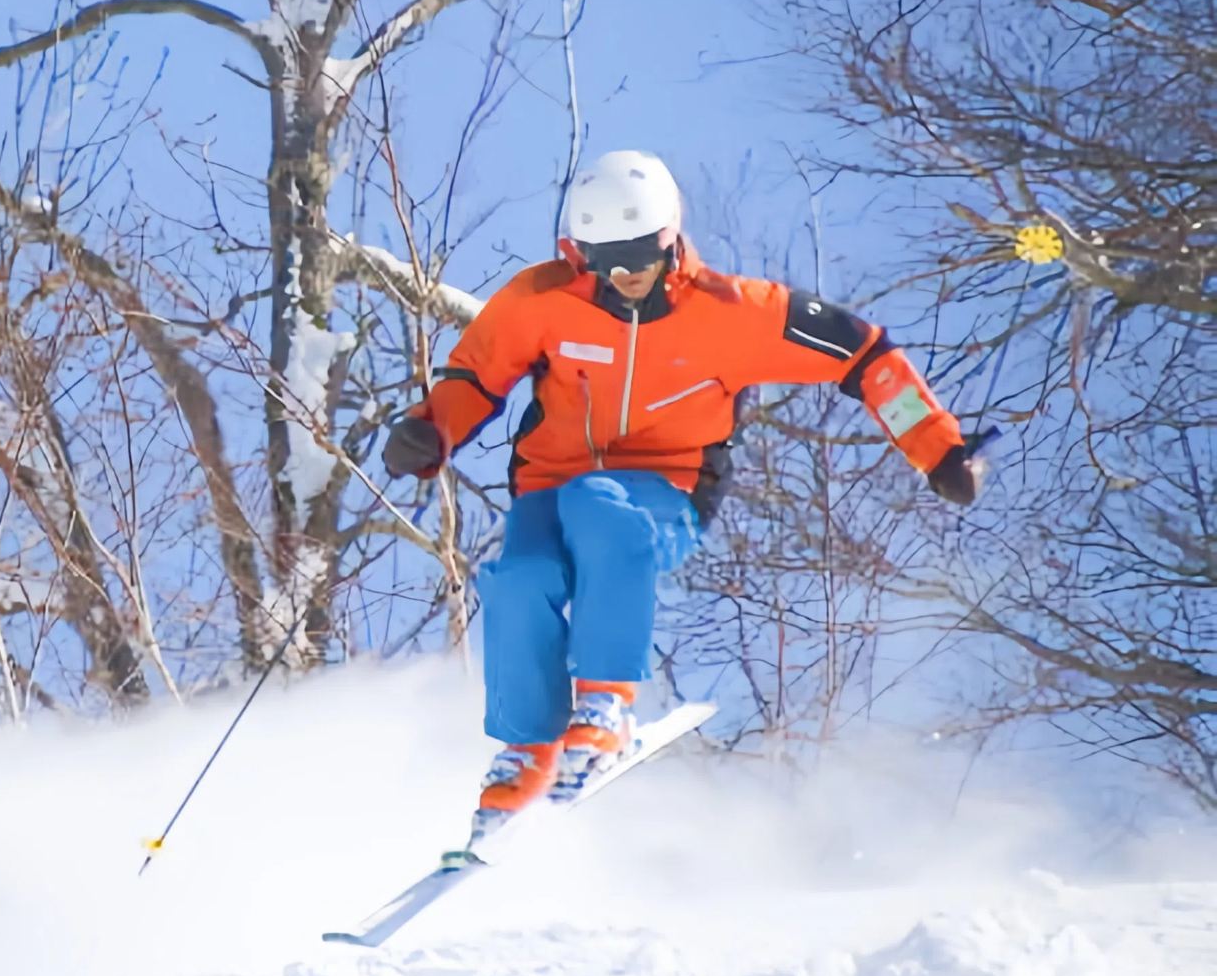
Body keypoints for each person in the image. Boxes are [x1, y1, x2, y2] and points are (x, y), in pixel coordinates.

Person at [381, 150, 988, 837]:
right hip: (549, 486)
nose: (626, 274)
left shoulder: (734, 313)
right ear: (577, 253)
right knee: (519, 577)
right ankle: (528, 753)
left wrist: (937, 447)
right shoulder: (540, 300)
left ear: (670, 239)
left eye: (640, 255)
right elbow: (474, 375)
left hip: (665, 490)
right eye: (606, 259)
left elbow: (863, 351)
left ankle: (605, 707)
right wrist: (429, 430)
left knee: (599, 507)